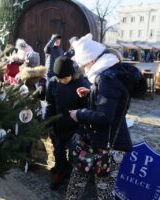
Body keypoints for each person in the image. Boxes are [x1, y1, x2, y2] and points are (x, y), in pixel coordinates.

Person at [67, 33, 132, 200]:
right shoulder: (110, 73)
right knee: (82, 184)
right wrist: (91, 94)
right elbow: (114, 102)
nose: (83, 69)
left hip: (108, 145)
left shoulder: (106, 79)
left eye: (83, 65)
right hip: (100, 142)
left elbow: (105, 117)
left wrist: (79, 114)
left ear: (91, 60)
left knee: (101, 191)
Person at [45, 56, 89, 190]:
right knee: (58, 151)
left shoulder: (82, 84)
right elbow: (50, 104)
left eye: (65, 79)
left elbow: (86, 108)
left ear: (72, 74)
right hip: (58, 125)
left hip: (76, 127)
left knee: (73, 154)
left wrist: (82, 128)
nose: (62, 82)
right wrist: (48, 122)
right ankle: (60, 173)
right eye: (59, 79)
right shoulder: (53, 83)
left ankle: (71, 174)